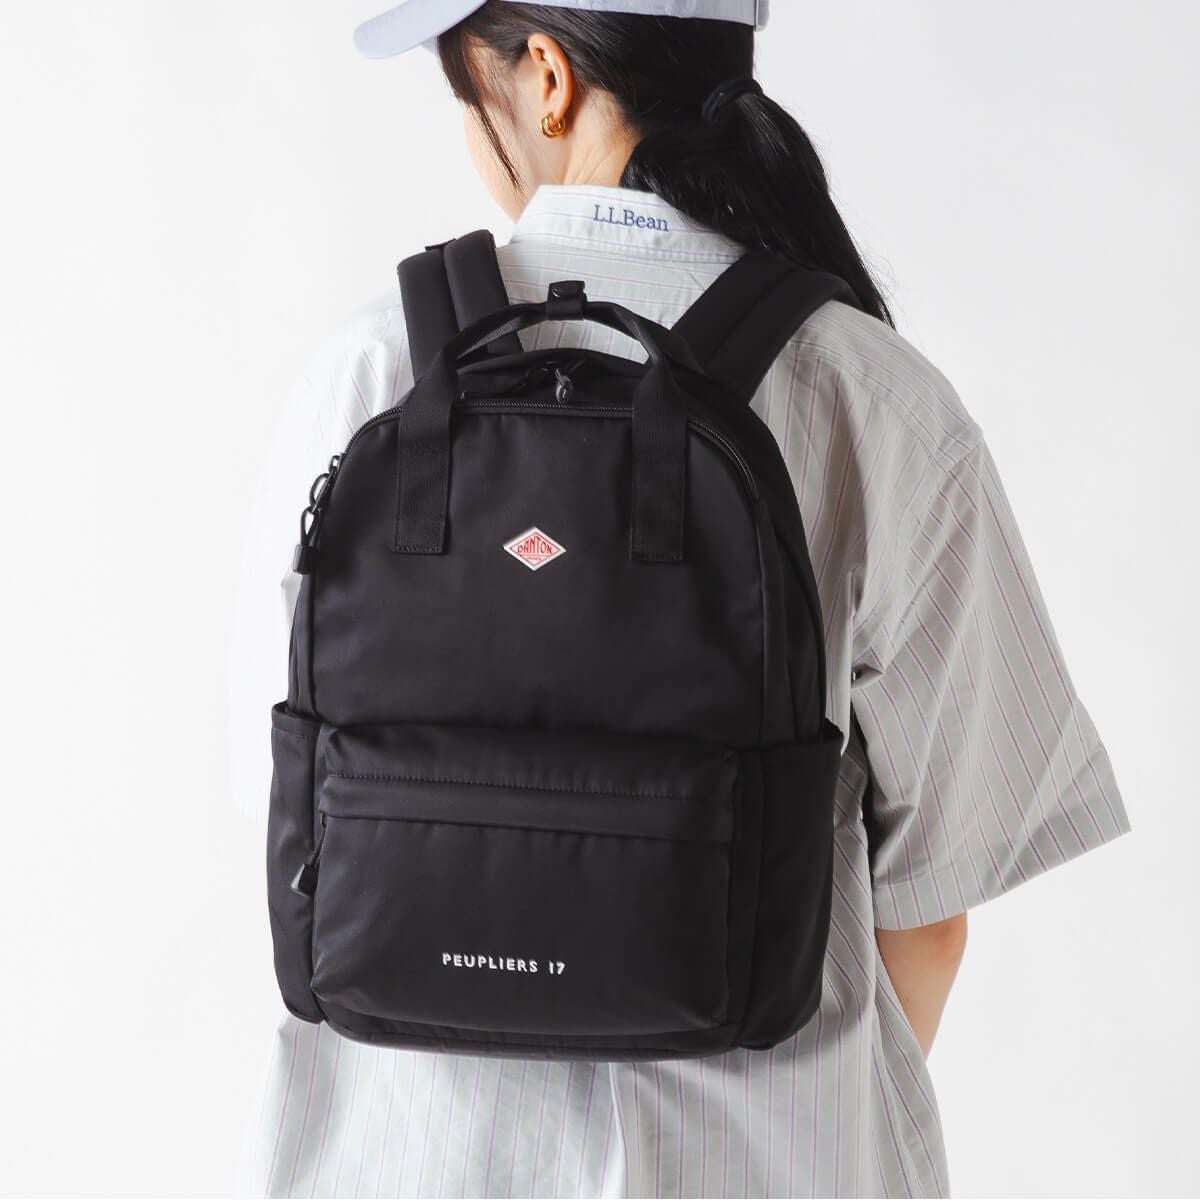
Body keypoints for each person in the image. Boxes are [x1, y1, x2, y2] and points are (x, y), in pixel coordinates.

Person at [230, 2, 1131, 1195]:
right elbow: (934, 910)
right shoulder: (872, 396)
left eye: (466, 89)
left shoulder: (367, 378)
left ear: (546, 76)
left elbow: (289, 809)